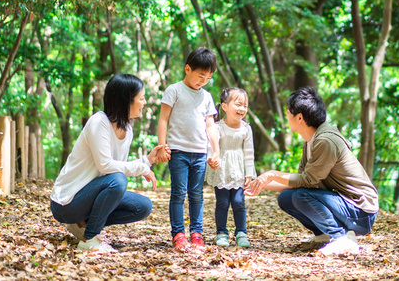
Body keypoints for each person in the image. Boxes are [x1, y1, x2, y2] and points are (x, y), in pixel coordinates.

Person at [245, 87, 379, 255]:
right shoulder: (310, 139)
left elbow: (307, 181)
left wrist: (273, 174)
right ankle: (323, 235)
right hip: (345, 205)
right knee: (286, 198)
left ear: (299, 117)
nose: (286, 116)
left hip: (361, 211)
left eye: (288, 112)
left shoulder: (325, 140)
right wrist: (259, 185)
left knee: (301, 196)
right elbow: (300, 182)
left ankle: (341, 238)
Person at [50, 74, 169, 253]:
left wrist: (148, 160)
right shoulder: (99, 123)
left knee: (143, 206)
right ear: (126, 101)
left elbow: (117, 166)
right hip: (66, 203)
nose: (144, 103)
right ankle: (89, 238)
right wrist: (140, 167)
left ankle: (83, 225)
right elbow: (106, 167)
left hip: (89, 195)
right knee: (119, 181)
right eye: (141, 98)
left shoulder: (127, 129)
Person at [156, 47, 221, 250]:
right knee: (178, 193)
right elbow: (163, 119)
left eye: (208, 77)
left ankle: (196, 232)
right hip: (178, 151)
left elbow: (210, 126)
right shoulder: (174, 90)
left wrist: (215, 151)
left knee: (196, 194)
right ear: (187, 69)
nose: (203, 80)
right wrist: (161, 145)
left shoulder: (207, 97)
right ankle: (178, 233)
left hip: (200, 153)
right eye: (201, 75)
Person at [205, 88, 256, 248]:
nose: (242, 109)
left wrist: (249, 174)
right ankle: (221, 233)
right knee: (222, 202)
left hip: (239, 171)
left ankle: (241, 232)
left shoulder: (246, 129)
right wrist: (211, 159)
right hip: (222, 171)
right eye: (238, 104)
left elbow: (249, 152)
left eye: (245, 105)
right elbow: (211, 146)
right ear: (225, 106)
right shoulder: (218, 127)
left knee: (239, 202)